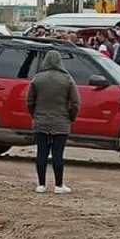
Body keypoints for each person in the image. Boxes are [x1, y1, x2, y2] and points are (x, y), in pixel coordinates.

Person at [25, 49, 80, 195]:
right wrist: (70, 118)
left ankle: (41, 185)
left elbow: (29, 100)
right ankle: (59, 185)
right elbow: (75, 103)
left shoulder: (37, 78)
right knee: (58, 154)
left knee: (41, 153)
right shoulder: (67, 79)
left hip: (41, 121)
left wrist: (35, 114)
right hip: (61, 122)